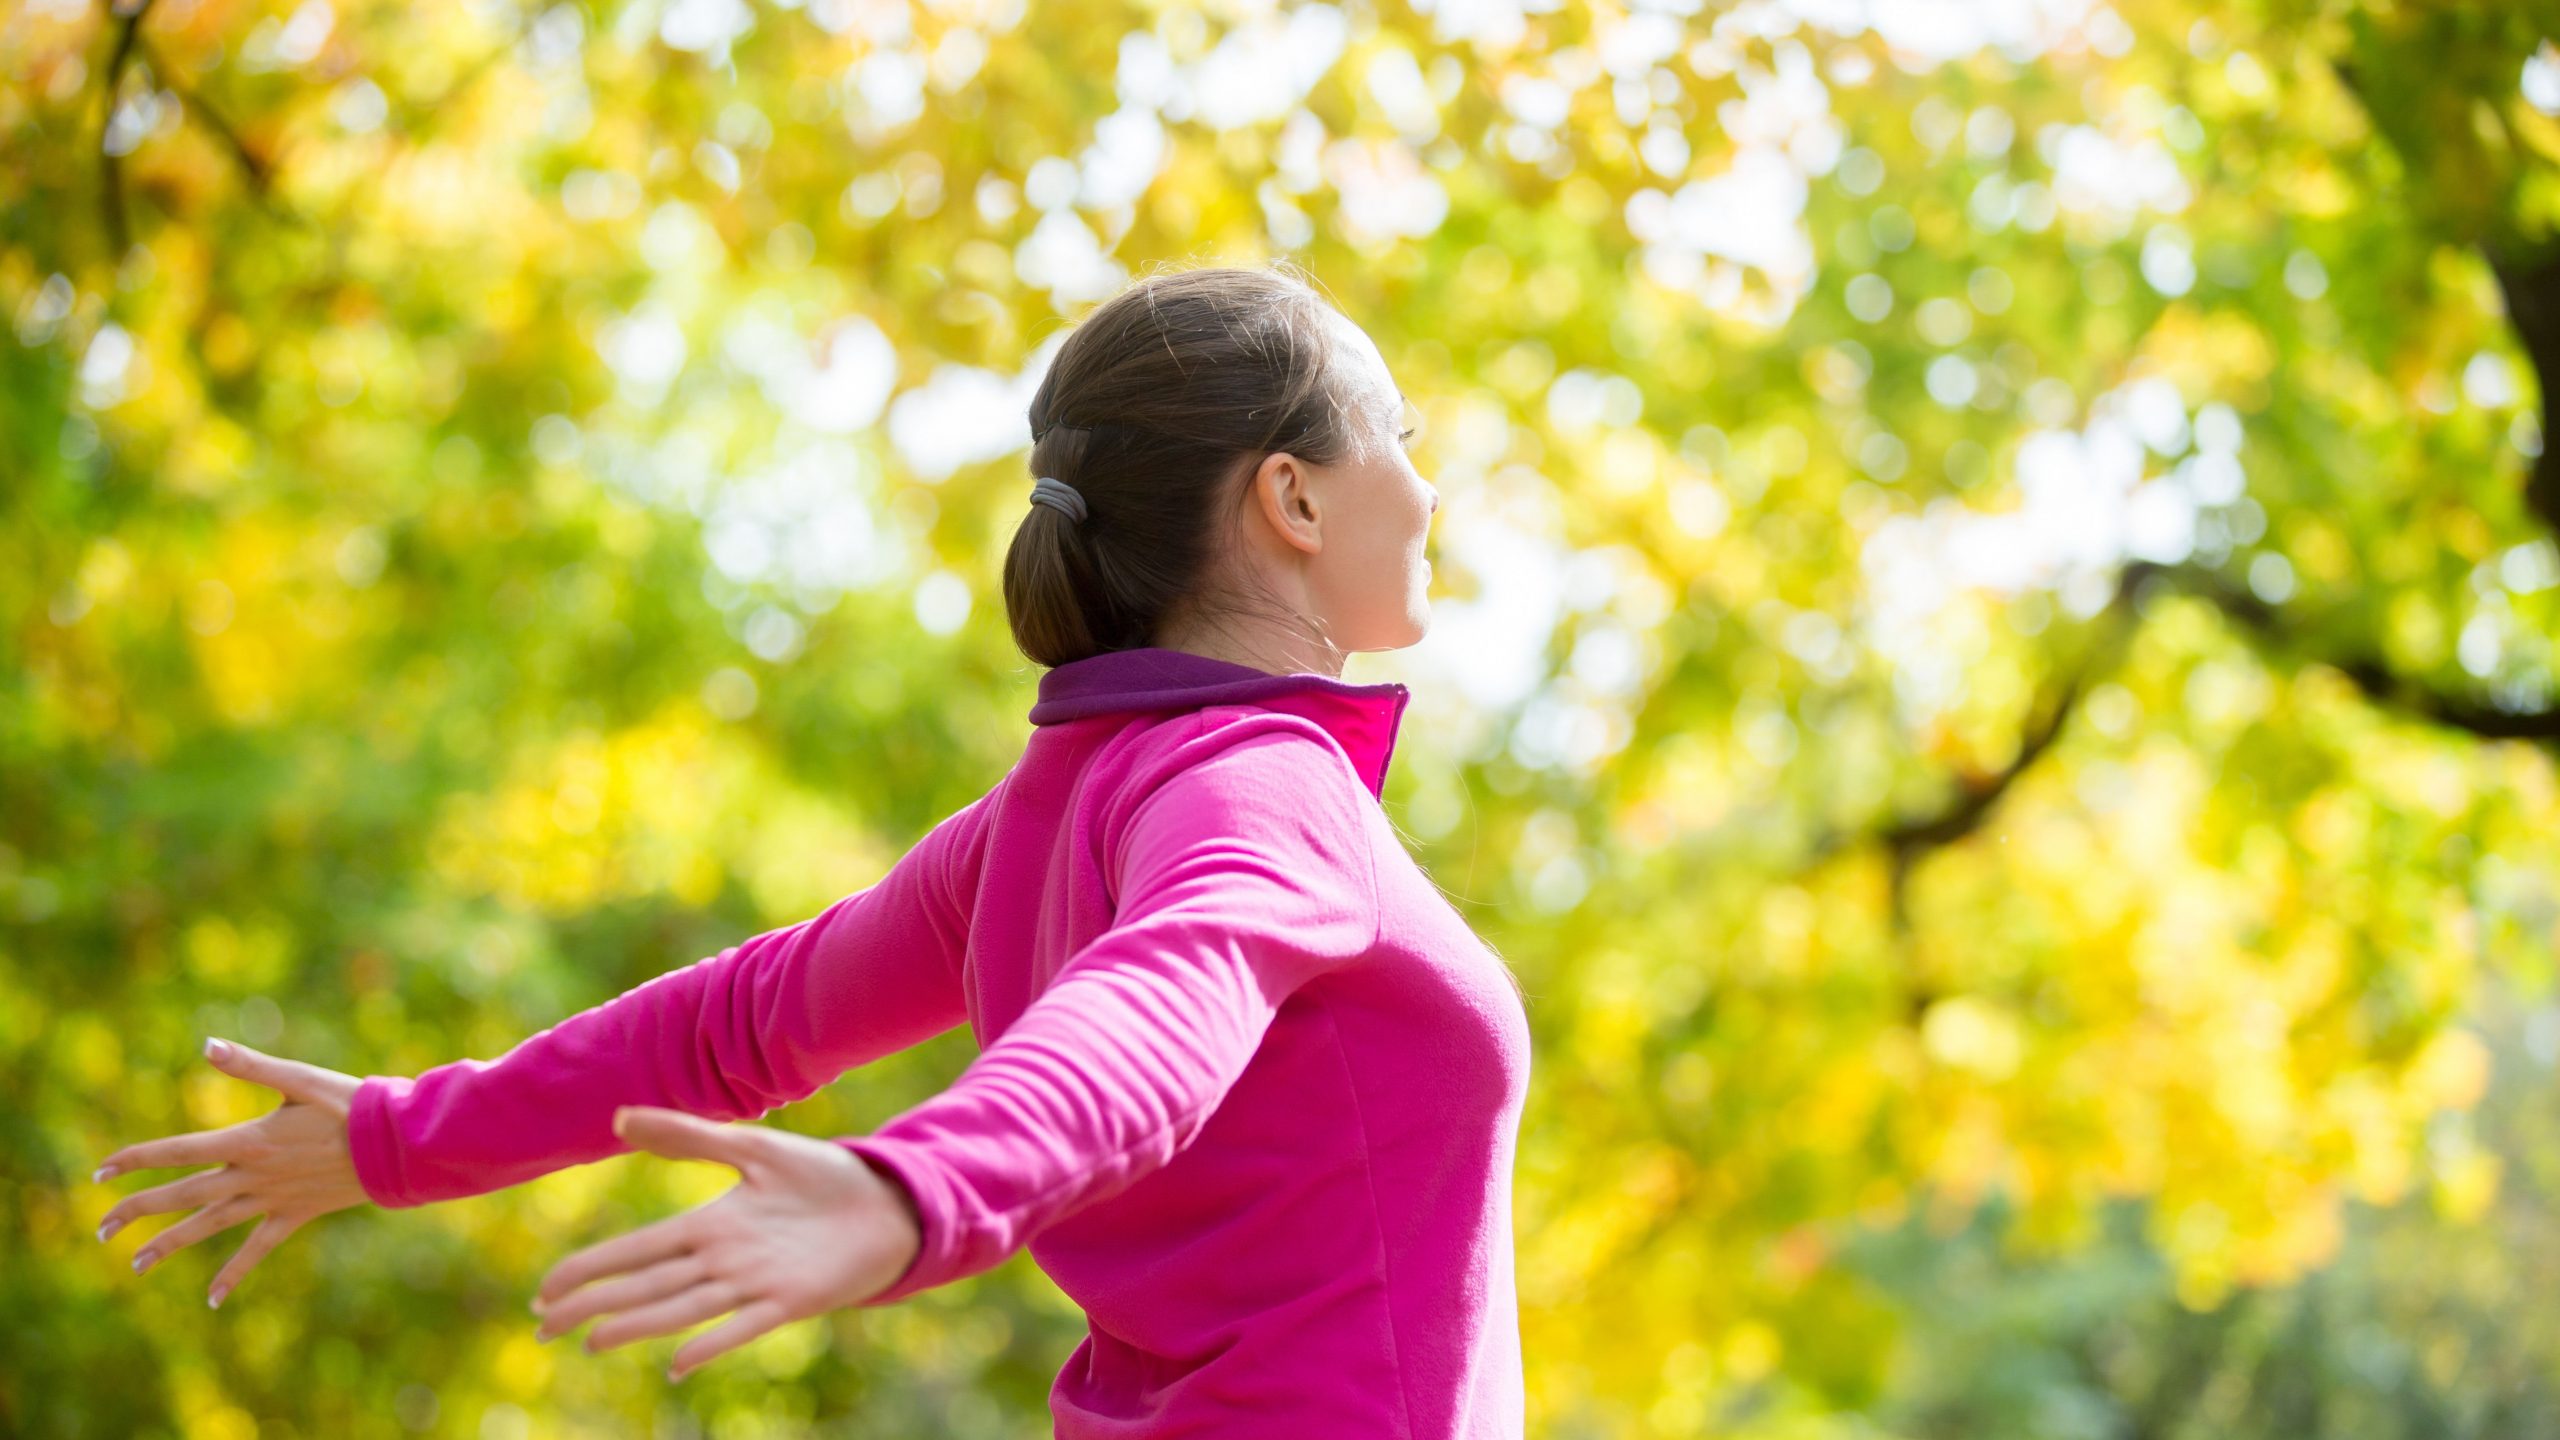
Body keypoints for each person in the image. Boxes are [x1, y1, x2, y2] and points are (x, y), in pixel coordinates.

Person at [90, 264, 1531, 1437]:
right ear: (1292, 499)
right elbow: (1162, 1001)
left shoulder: (1060, 812)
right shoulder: (1263, 781)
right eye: (1396, 434)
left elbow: (741, 1022)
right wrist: (918, 1192)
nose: (1425, 484)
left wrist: (403, 1139)